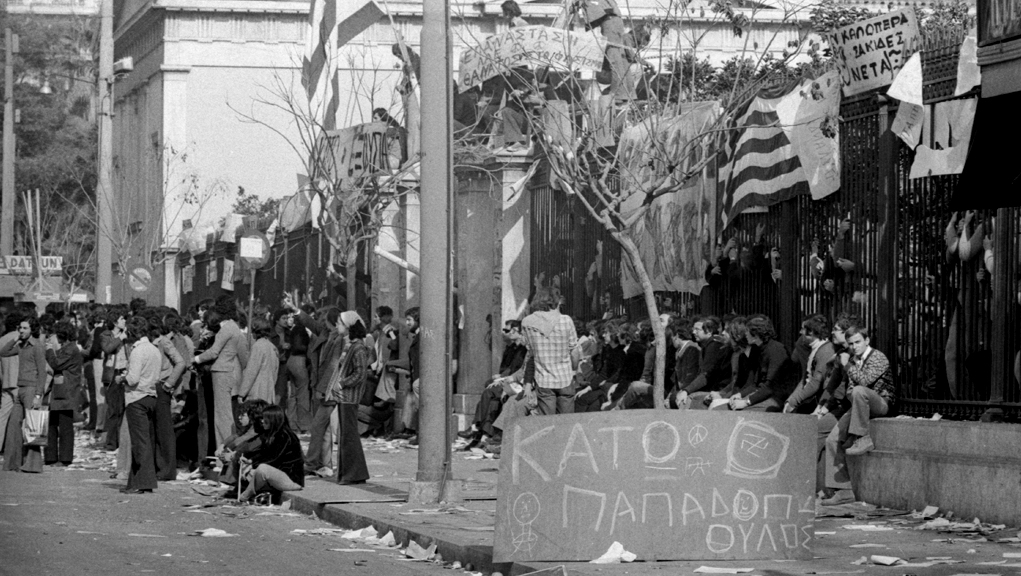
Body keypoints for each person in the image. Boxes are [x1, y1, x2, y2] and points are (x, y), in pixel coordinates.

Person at [323, 311, 371, 484]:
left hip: (349, 396)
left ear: (349, 326)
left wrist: (342, 383)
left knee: (349, 437)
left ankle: (353, 474)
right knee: (346, 436)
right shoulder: (351, 345)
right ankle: (351, 474)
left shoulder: (357, 347)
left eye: (340, 323)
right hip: (345, 397)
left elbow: (360, 373)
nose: (337, 326)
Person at [460, 320, 527, 445]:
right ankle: (484, 435)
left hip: (518, 383)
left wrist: (503, 379)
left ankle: (477, 427)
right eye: (506, 330)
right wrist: (502, 377)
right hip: (511, 380)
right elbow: (511, 368)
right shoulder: (512, 348)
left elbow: (520, 371)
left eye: (509, 330)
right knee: (492, 399)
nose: (506, 333)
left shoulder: (525, 350)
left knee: (490, 392)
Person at [193, 303, 250, 448]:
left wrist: (196, 359)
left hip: (221, 372)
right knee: (225, 415)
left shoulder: (226, 329)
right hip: (227, 372)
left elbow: (213, 352)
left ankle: (223, 450)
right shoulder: (233, 327)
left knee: (221, 417)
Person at [1, 315, 47, 472]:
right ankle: (12, 463)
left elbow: (42, 372)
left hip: (31, 389)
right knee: (14, 426)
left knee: (32, 427)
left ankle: (33, 464)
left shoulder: (37, 346)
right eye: (20, 328)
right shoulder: (21, 345)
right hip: (20, 388)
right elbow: (4, 352)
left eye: (25, 328)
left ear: (32, 330)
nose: (21, 330)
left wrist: (38, 395)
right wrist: (15, 339)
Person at [121, 316, 162, 494]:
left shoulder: (137, 351)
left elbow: (133, 379)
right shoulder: (154, 349)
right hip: (151, 395)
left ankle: (144, 483)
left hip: (136, 397)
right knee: (146, 439)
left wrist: (121, 378)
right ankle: (136, 480)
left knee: (139, 442)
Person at [520, 290, 578, 415]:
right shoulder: (566, 320)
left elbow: (530, 354)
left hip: (544, 380)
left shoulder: (527, 322)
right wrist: (574, 369)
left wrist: (528, 381)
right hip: (565, 378)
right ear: (556, 302)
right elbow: (574, 351)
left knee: (547, 423)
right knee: (567, 423)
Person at [239, 405, 304, 503]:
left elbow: (274, 459)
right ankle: (264, 494)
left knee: (262, 469)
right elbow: (264, 453)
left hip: (291, 479)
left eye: (265, 420)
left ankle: (244, 496)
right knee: (250, 473)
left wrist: (253, 465)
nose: (262, 422)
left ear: (273, 420)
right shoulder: (273, 434)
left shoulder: (285, 436)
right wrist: (250, 461)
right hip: (278, 475)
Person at [44, 320, 84, 467]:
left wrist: (49, 349)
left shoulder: (70, 349)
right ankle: (51, 456)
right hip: (60, 392)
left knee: (65, 426)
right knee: (52, 424)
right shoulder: (67, 348)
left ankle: (65, 458)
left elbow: (56, 364)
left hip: (66, 393)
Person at [152, 317, 186, 481]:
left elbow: (181, 362)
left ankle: (167, 469)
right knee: (159, 429)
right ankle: (161, 467)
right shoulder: (161, 342)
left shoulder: (164, 342)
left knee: (164, 430)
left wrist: (169, 383)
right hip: (157, 387)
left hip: (161, 387)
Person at [674, 316, 731, 409]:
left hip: (718, 390)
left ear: (709, 331)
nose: (693, 332)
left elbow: (706, 374)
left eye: (697, 330)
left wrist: (686, 391)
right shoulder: (706, 345)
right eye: (693, 329)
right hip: (710, 389)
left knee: (686, 400)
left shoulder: (714, 346)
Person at [784, 315, 836, 414]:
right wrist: (790, 400)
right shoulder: (816, 348)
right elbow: (806, 378)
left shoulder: (825, 351)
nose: (800, 332)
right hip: (808, 400)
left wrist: (794, 402)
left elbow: (815, 383)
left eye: (803, 329)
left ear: (811, 331)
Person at [239, 318, 279, 404]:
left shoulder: (258, 346)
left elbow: (251, 372)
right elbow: (275, 372)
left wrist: (242, 393)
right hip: (269, 392)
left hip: (257, 392)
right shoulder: (273, 347)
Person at [0, 312, 22, 455]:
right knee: (22, 416)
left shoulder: (1, 340)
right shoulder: (20, 340)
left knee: (2, 416)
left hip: (5, 381)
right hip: (19, 382)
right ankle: (20, 448)